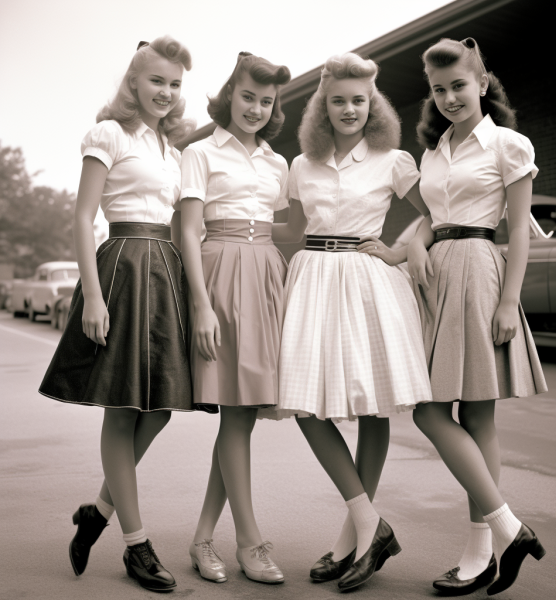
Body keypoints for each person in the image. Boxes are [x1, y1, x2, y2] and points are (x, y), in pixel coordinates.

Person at [263, 52, 432, 591]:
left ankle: (352, 539)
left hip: (366, 279)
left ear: (373, 102)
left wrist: (401, 251)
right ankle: (369, 524)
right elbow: (282, 228)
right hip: (312, 277)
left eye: (359, 100)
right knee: (306, 405)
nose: (350, 109)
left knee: (372, 407)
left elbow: (439, 210)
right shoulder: (300, 165)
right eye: (339, 100)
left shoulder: (394, 160)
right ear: (323, 104)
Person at [38, 37, 195, 593]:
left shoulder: (171, 151)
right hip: (122, 267)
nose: (166, 93)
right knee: (124, 408)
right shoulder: (109, 134)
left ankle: (97, 514)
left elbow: (180, 222)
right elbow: (84, 218)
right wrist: (95, 296)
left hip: (163, 273)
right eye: (157, 81)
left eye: (175, 85)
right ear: (134, 82)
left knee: (161, 408)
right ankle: (136, 544)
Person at [407, 37, 548, 596]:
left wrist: (510, 300)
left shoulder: (509, 145)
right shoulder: (433, 151)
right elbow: (430, 216)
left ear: (482, 83)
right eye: (438, 90)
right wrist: (417, 242)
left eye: (458, 86)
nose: (448, 97)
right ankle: (504, 535)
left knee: (459, 415)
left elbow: (517, 230)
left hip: (482, 273)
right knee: (438, 410)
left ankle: (484, 546)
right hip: (439, 276)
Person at [178, 52, 291, 585]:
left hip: (266, 273)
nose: (256, 108)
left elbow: (290, 223)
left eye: (266, 102)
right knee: (236, 411)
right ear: (230, 95)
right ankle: (250, 542)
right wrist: (201, 304)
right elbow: (187, 230)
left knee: (241, 415)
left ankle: (204, 539)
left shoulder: (278, 164)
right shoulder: (200, 153)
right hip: (219, 274)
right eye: (248, 97)